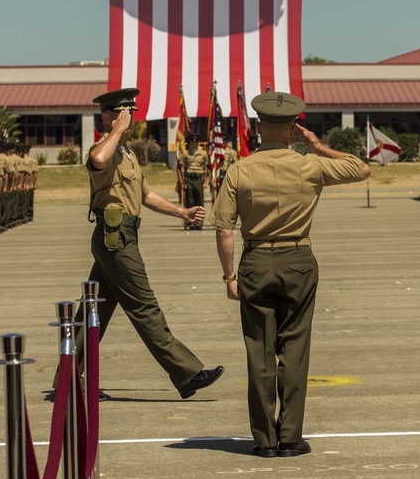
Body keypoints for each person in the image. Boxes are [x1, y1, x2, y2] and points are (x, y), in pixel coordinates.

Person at [213, 92, 370, 458]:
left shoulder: (239, 169)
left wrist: (228, 277)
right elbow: (360, 168)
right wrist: (316, 146)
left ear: (258, 127)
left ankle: (264, 440)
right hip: (298, 258)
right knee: (295, 350)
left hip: (254, 260)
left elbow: (223, 229)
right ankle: (291, 437)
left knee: (259, 352)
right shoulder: (310, 165)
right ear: (293, 130)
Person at [81, 88, 223, 398]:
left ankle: (68, 376)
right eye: (121, 113)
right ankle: (187, 373)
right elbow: (96, 159)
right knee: (145, 307)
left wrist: (181, 211)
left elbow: (146, 195)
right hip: (115, 237)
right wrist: (116, 129)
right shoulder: (103, 148)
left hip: (123, 235)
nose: (128, 117)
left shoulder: (127, 154)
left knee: (94, 310)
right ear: (106, 117)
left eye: (129, 112)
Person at [179, 133, 208, 229]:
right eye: (192, 141)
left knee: (199, 200)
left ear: (198, 142)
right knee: (189, 200)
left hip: (199, 178)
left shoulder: (203, 154)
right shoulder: (185, 154)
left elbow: (205, 168)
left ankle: (199, 222)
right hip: (189, 178)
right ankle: (190, 222)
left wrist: (205, 181)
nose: (194, 143)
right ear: (189, 142)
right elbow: (182, 168)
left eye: (196, 141)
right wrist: (182, 182)